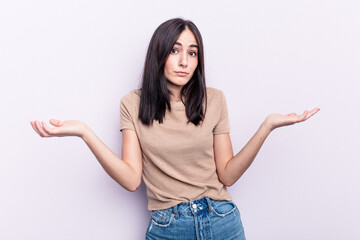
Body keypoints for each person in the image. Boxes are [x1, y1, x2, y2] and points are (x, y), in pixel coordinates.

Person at [30, 18, 319, 240]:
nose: (184, 61)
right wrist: (84, 132)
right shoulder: (133, 104)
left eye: (192, 53)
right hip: (168, 225)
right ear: (159, 54)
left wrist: (266, 127)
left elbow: (228, 174)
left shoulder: (214, 99)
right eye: (175, 50)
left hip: (221, 219)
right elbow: (132, 180)